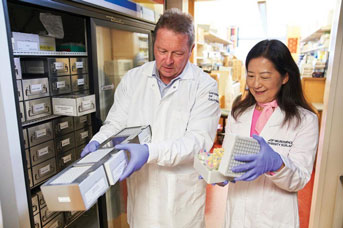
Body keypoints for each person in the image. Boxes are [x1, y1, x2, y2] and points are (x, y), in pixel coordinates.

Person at [81, 8, 220, 228]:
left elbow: (197, 142)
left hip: (181, 204)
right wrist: (98, 141)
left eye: (178, 53)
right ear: (154, 43)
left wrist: (149, 152)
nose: (167, 60)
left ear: (191, 49)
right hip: (142, 202)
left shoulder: (204, 86)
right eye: (162, 50)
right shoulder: (134, 78)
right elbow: (116, 123)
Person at [221, 39, 319, 227]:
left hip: (275, 217)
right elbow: (228, 158)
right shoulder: (239, 112)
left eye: (265, 77)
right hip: (237, 213)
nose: (256, 84)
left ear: (285, 77)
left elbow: (300, 179)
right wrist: (219, 172)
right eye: (250, 75)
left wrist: (277, 164)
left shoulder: (305, 120)